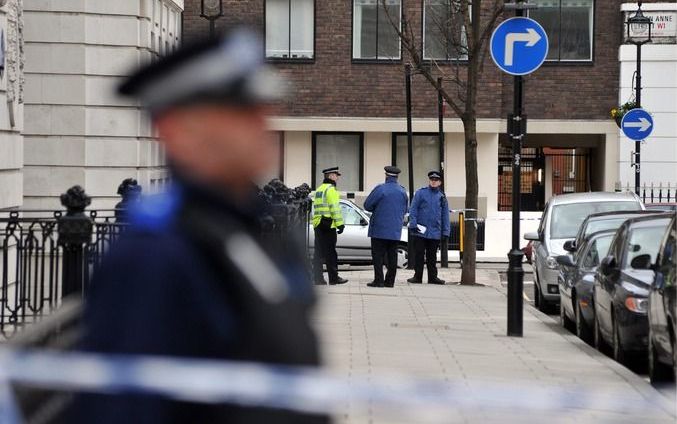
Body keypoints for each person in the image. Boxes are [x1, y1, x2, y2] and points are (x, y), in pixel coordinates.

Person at [71, 29, 329, 424]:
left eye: (261, 106)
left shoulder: (240, 228)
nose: (262, 121)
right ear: (177, 132)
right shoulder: (156, 255)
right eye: (240, 110)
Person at [363, 166, 408, 288]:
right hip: (394, 230)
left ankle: (379, 280)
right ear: (397, 177)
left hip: (379, 229)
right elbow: (405, 210)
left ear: (386, 176)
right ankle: (390, 281)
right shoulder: (403, 191)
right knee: (392, 256)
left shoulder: (380, 189)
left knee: (378, 256)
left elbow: (367, 205)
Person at [407, 171, 450, 285]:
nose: (433, 182)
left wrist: (446, 231)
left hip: (435, 232)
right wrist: (413, 224)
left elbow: (445, 215)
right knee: (419, 255)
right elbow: (413, 209)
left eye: (436, 180)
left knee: (432, 257)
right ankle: (417, 276)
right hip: (420, 230)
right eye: (432, 180)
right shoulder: (421, 193)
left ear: (440, 182)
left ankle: (432, 277)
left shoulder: (442, 197)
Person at [312, 166, 348, 285]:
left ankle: (318, 278)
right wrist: (340, 225)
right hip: (328, 224)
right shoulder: (331, 190)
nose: (337, 178)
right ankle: (334, 278)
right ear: (331, 176)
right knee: (331, 253)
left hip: (318, 223)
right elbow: (335, 209)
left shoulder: (319, 189)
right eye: (336, 175)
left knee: (318, 253)